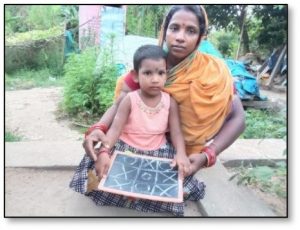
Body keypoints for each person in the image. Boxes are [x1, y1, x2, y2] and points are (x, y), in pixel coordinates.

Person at [83, 5, 245, 176]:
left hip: (184, 156)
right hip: (136, 143)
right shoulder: (150, 64)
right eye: (174, 28)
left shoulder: (214, 71)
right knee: (100, 172)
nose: (180, 37)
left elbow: (238, 118)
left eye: (191, 31)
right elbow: (119, 105)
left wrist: (207, 155)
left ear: (200, 37)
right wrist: (98, 128)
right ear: (164, 30)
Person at [70, 44, 205, 216]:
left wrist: (181, 154)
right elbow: (115, 130)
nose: (155, 79)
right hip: (126, 148)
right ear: (135, 75)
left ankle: (143, 195)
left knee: (179, 176)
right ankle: (141, 196)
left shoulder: (170, 101)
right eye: (148, 73)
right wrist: (104, 151)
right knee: (97, 171)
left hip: (157, 151)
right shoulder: (129, 100)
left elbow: (177, 132)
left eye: (160, 73)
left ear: (166, 75)